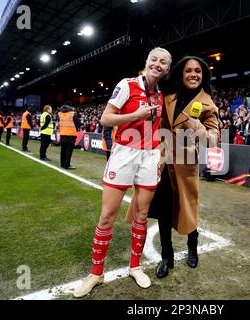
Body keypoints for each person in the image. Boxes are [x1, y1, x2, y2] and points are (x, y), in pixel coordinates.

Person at [73, 47, 171, 298]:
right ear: (147, 62)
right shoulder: (127, 85)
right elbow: (106, 119)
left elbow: (157, 128)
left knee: (142, 214)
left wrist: (161, 153)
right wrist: (135, 115)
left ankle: (135, 267)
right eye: (154, 60)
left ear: (167, 69)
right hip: (124, 153)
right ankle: (96, 273)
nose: (157, 64)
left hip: (149, 157)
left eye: (163, 62)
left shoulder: (161, 95)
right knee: (107, 215)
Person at [148, 56, 219, 279]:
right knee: (163, 211)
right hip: (163, 161)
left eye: (198, 71)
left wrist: (198, 127)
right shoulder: (168, 96)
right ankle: (166, 257)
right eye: (188, 70)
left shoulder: (208, 104)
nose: (193, 74)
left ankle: (192, 248)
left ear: (203, 75)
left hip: (187, 165)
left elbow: (213, 140)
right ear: (181, 73)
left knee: (189, 210)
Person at [57, 104, 81, 169]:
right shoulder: (73, 114)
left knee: (63, 149)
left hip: (62, 134)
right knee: (69, 150)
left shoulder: (60, 114)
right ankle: (67, 165)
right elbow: (78, 123)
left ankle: (62, 163)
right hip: (71, 134)